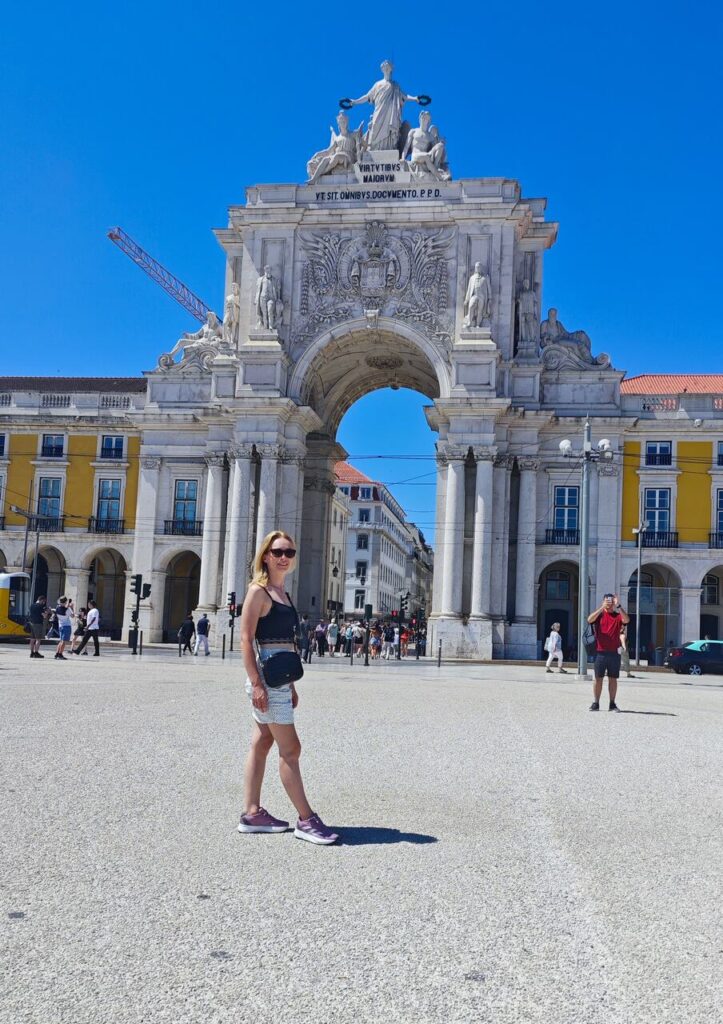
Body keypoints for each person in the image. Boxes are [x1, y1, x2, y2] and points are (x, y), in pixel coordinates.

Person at [238, 530, 338, 845]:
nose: (284, 557)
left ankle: (252, 814)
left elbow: (287, 642)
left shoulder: (284, 593)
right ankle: (306, 820)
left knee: (262, 741)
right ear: (265, 555)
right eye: (279, 551)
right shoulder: (259, 591)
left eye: (290, 553)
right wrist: (256, 683)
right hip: (266, 676)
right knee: (291, 749)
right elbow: (246, 638)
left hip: (281, 676)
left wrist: (290, 685)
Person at [587, 592, 630, 711]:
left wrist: (619, 606)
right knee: (598, 678)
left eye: (611, 601)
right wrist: (602, 607)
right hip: (600, 652)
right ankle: (596, 703)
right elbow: (589, 619)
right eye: (607, 601)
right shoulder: (599, 616)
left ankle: (612, 703)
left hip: (614, 653)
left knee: (613, 678)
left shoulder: (617, 616)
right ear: (603, 601)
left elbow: (626, 620)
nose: (609, 603)